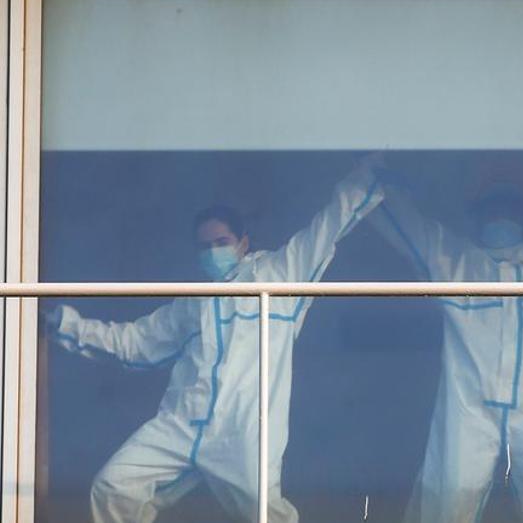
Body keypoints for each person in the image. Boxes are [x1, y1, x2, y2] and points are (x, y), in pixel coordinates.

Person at [44, 158, 384, 523]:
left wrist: (375, 170)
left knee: (265, 515)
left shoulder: (279, 274)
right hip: (181, 423)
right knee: (112, 489)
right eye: (204, 246)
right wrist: (64, 322)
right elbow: (134, 343)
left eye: (221, 242)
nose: (213, 251)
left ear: (243, 243)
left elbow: (329, 224)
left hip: (242, 432)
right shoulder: (192, 301)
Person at [368, 170, 523, 523]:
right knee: (444, 503)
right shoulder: (457, 265)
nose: (501, 217)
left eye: (509, 209)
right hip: (468, 408)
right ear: (477, 215)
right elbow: (407, 224)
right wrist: (374, 175)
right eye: (493, 208)